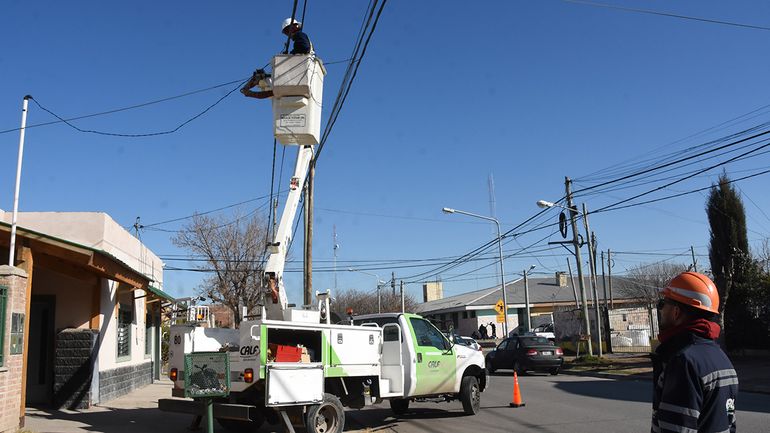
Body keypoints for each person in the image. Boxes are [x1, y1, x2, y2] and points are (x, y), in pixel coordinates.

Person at [652, 272, 737, 433]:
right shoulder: (721, 358)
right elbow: (730, 422)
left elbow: (676, 429)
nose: (661, 311)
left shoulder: (683, 362)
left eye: (663, 304)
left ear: (676, 312)